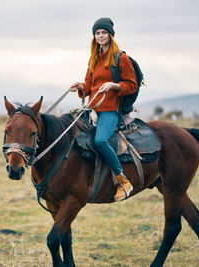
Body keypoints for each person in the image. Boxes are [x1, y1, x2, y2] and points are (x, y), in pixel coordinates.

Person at [70, 17, 138, 201]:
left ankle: (122, 179)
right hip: (93, 109)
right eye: (97, 33)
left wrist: (114, 86)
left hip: (111, 110)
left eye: (103, 33)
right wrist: (80, 87)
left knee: (100, 141)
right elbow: (90, 85)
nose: (100, 36)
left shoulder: (120, 58)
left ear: (110, 35)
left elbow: (131, 85)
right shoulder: (94, 58)